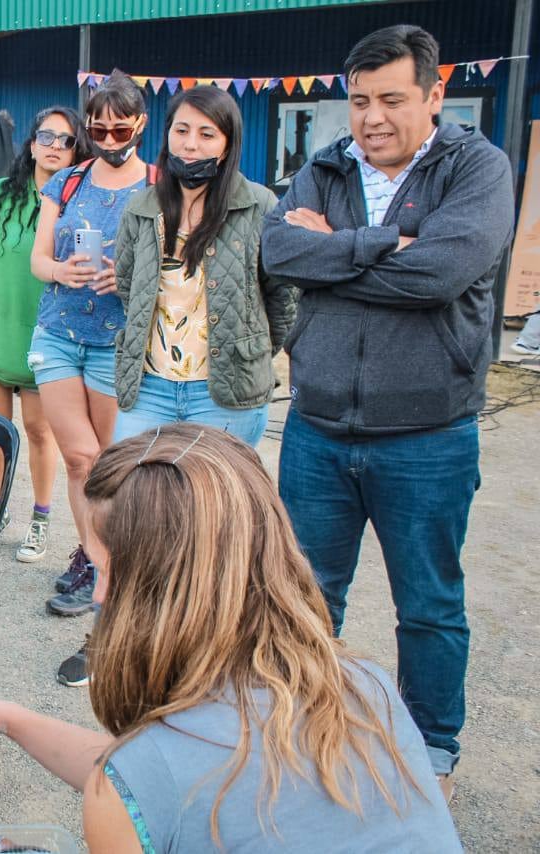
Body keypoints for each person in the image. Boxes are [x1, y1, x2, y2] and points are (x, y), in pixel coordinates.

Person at [0, 425, 461, 853]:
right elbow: (158, 781)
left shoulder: (131, 791)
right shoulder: (367, 687)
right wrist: (2, 716)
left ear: (161, 588)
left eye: (106, 571)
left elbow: (142, 786)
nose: (100, 596)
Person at [261, 24, 515, 800]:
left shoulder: (478, 168)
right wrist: (385, 244)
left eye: (392, 100)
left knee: (430, 602)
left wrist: (336, 249)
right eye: (360, 100)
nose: (370, 118)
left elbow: (439, 274)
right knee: (305, 595)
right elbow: (277, 253)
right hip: (318, 428)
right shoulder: (325, 166)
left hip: (429, 434)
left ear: (435, 95)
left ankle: (430, 743)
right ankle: (303, 722)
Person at [28, 72, 150, 687]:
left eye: (118, 126)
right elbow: (38, 259)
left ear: (140, 124)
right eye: (96, 126)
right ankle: (100, 568)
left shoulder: (159, 185)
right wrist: (64, 271)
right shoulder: (67, 179)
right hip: (57, 331)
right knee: (80, 458)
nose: (107, 135)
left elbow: (174, 262)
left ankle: (121, 574)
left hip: (118, 340)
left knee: (114, 465)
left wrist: (124, 281)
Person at [112, 85, 293, 446]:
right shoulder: (141, 208)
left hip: (226, 393)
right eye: (181, 131)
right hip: (150, 387)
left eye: (206, 133)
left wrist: (248, 352)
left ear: (228, 144)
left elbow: (283, 298)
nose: (190, 144)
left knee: (215, 500)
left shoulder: (258, 205)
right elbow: (128, 287)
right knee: (137, 494)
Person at [0, 106, 91, 563]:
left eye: (65, 140)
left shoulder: (79, 203)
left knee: (38, 430)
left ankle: (40, 517)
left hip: (47, 338)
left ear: (77, 150)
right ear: (31, 143)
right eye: (46, 136)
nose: (54, 146)